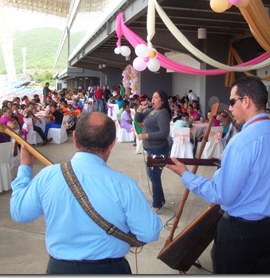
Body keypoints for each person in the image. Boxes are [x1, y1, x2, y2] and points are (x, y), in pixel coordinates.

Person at [166, 76, 270, 274]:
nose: (230, 109)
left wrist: (186, 175)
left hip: (244, 235)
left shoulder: (242, 142)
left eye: (232, 101)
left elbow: (222, 194)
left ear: (246, 101)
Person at [10, 112, 162, 274]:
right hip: (110, 269)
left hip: (61, 269)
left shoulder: (48, 176)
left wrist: (24, 169)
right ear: (112, 144)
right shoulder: (124, 185)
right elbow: (150, 232)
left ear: (74, 138)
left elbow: (19, 212)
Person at [134, 90, 171, 212]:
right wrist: (139, 109)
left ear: (163, 101)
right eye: (153, 97)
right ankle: (160, 199)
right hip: (151, 149)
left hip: (158, 149)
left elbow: (164, 133)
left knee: (154, 175)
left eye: (156, 98)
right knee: (153, 175)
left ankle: (157, 204)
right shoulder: (151, 111)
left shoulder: (162, 113)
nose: (152, 100)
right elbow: (138, 119)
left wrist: (147, 136)